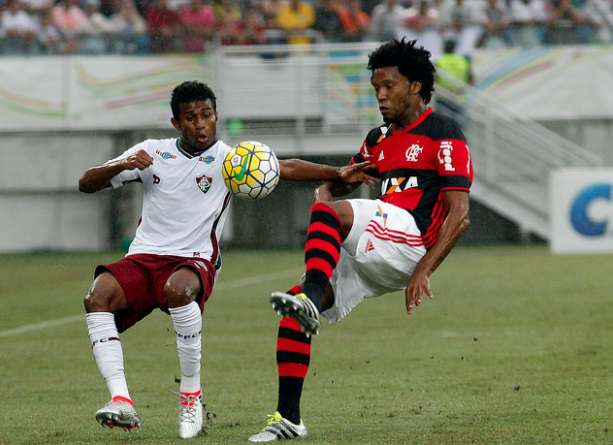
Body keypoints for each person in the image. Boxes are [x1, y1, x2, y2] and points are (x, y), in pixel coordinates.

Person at [79, 80, 373, 439]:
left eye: (207, 115)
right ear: (176, 123)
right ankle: (121, 399)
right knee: (97, 297)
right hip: (144, 257)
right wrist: (122, 164)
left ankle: (191, 395)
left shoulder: (228, 160)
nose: (201, 124)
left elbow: (287, 167)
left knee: (178, 291)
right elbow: (87, 182)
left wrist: (336, 172)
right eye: (190, 118)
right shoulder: (151, 152)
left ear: (216, 116)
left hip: (194, 261)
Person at [248, 39, 473, 442]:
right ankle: (288, 418)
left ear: (416, 86)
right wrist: (328, 189)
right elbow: (340, 184)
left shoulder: (444, 132)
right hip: (378, 251)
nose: (381, 96)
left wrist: (425, 269)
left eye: (389, 86)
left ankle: (312, 295)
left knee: (318, 257)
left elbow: (460, 214)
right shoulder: (377, 139)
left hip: (412, 242)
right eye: (376, 89)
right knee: (293, 314)